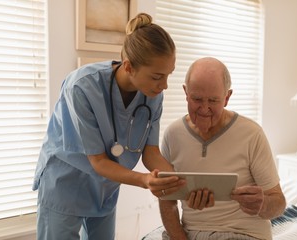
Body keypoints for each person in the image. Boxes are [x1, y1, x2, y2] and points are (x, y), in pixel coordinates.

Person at [32, 13, 185, 240]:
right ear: (129, 66)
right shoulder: (82, 87)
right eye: (157, 76)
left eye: (168, 75)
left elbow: (150, 153)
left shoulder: (152, 95)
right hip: (65, 184)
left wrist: (177, 179)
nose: (164, 85)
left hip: (105, 189)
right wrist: (144, 180)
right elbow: (99, 161)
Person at [159, 57, 286, 240]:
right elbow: (167, 201)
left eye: (213, 100)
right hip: (189, 234)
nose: (204, 108)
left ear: (227, 98)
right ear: (186, 93)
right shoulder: (172, 135)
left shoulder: (252, 134)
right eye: (196, 99)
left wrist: (263, 204)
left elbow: (279, 203)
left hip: (243, 234)